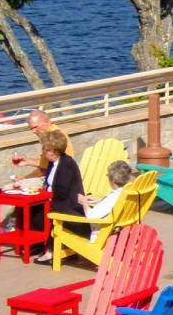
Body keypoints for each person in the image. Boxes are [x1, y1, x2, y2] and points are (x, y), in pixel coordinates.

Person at [31, 130, 87, 265]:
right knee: (30, 209)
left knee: (38, 213)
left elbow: (61, 191)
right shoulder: (55, 163)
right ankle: (39, 245)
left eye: (46, 150)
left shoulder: (66, 164)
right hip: (60, 201)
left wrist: (45, 194)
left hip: (68, 205)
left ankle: (50, 250)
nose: (44, 153)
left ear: (53, 151)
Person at [77, 161, 135, 243]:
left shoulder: (113, 197)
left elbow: (91, 216)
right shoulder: (127, 192)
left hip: (102, 236)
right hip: (121, 231)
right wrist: (100, 200)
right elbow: (112, 205)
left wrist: (83, 202)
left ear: (113, 181)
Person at [19, 110, 75, 180]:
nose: (33, 131)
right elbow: (46, 164)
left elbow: (45, 169)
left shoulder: (53, 139)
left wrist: (24, 178)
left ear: (47, 122)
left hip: (61, 180)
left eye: (35, 127)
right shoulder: (54, 133)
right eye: (31, 128)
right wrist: (28, 161)